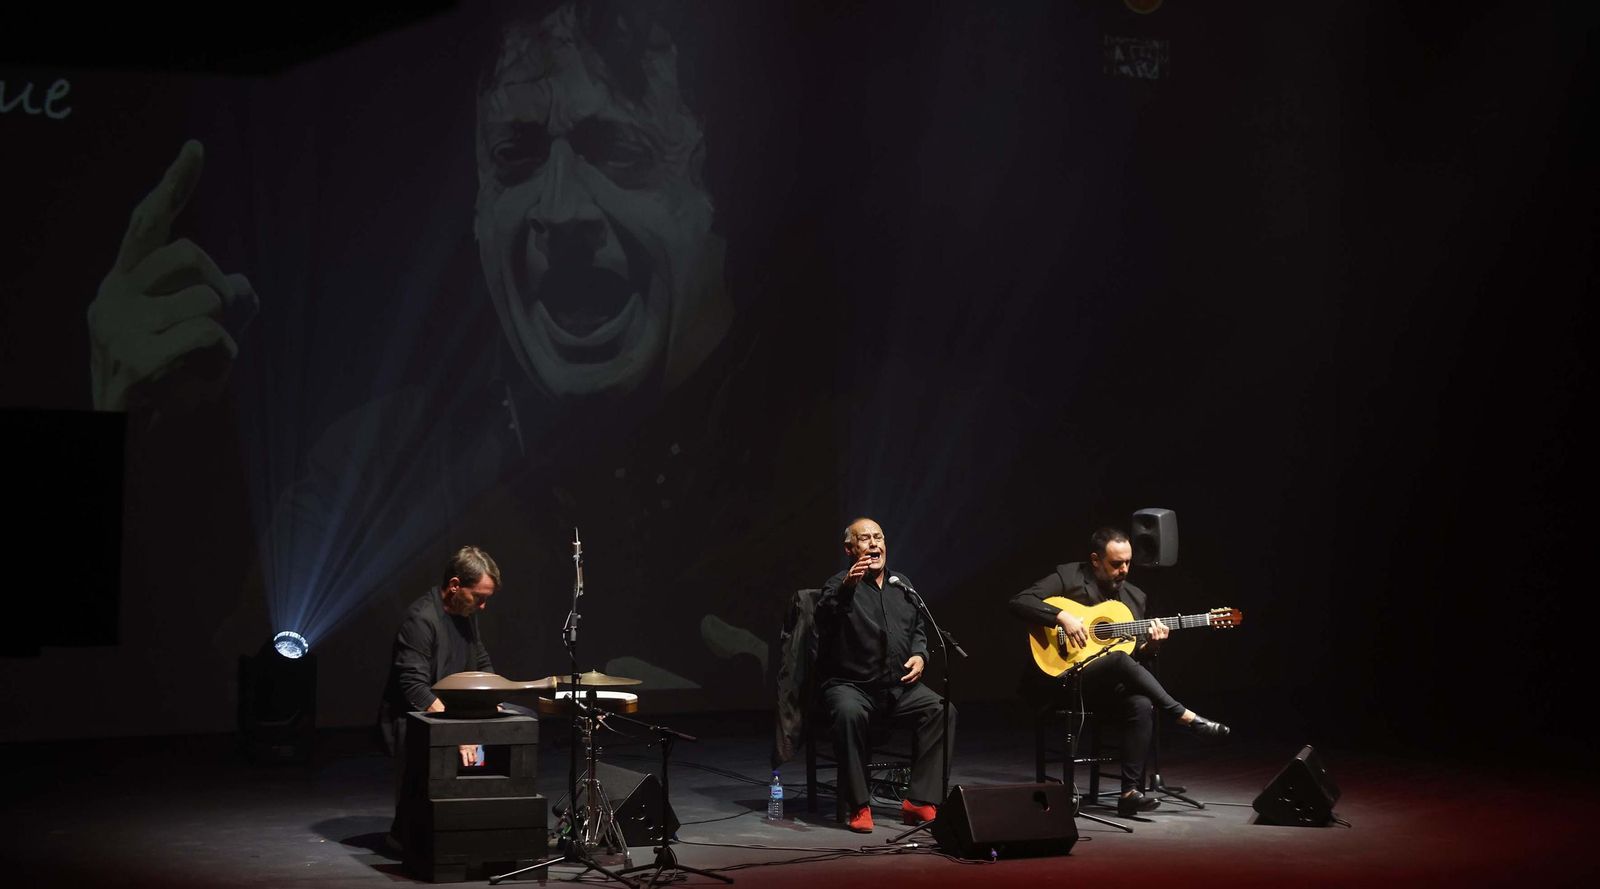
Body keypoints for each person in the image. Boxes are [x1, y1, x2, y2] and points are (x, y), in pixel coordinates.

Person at [1008, 527, 1230, 816]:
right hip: (1060, 681)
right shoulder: (1069, 576)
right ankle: (1185, 716)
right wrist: (1061, 617)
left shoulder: (1135, 597)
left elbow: (1135, 657)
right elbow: (1019, 602)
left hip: (1101, 689)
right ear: (1095, 560)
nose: (1124, 570)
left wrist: (1151, 646)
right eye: (1116, 564)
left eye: (1128, 562)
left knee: (1141, 702)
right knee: (1118, 661)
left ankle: (1130, 793)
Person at [815, 518, 955, 833]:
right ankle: (859, 804)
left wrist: (921, 655)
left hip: (897, 687)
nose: (875, 544)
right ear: (850, 549)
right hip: (852, 686)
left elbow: (919, 629)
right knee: (848, 713)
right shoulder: (837, 586)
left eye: (879, 537)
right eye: (865, 539)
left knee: (942, 710)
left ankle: (919, 800)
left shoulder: (900, 584)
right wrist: (847, 587)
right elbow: (825, 618)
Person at [378, 546, 503, 849]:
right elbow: (414, 687)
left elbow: (480, 659)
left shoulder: (466, 614)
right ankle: (408, 835)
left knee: (508, 727)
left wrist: (494, 699)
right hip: (415, 715)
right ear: (455, 586)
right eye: (479, 597)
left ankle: (469, 828)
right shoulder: (421, 620)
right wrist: (456, 732)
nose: (483, 606)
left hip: (451, 713)